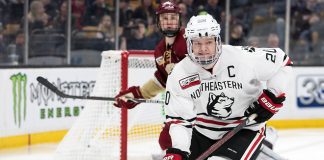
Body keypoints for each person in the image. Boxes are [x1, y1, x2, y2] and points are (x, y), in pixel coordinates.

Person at [162, 14, 292, 160]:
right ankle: (267, 144)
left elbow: (282, 61)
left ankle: (266, 141)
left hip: (245, 129)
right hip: (202, 132)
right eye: (197, 43)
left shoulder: (242, 57)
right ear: (189, 44)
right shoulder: (180, 73)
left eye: (208, 42)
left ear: (217, 41)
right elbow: (180, 120)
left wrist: (273, 95)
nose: (203, 49)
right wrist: (179, 151)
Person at [114, 0, 186, 150]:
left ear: (179, 20)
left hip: (204, 105)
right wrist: (137, 94)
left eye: (173, 18)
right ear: (158, 22)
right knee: (166, 140)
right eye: (165, 18)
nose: (169, 22)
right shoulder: (159, 50)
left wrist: (183, 68)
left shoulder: (191, 38)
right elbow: (161, 81)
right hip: (183, 110)